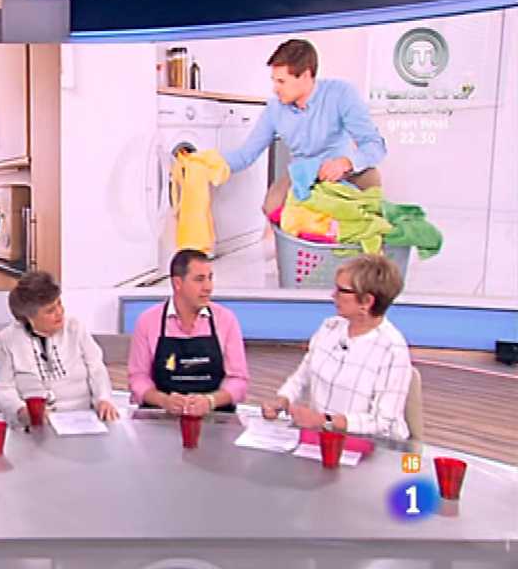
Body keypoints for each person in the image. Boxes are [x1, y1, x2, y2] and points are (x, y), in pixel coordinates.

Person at [221, 39, 387, 215]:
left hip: (340, 168)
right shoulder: (274, 109)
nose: (275, 89)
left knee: (371, 181)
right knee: (272, 206)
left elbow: (374, 145)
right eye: (274, 81)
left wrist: (346, 163)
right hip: (302, 173)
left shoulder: (341, 93)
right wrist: (208, 163)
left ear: (306, 75)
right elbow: (246, 155)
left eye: (281, 81)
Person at [261, 255, 413, 440]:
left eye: (341, 290)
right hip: (323, 438)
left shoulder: (392, 349)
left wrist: (324, 421)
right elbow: (301, 376)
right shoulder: (329, 328)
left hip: (373, 445)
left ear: (366, 301)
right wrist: (283, 400)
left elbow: (383, 422)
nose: (333, 295)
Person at [127, 249, 250, 415]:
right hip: (160, 419)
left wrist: (210, 401)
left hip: (215, 420)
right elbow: (138, 378)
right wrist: (164, 401)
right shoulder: (148, 321)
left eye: (210, 278)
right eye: (199, 279)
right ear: (177, 283)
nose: (208, 287)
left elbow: (238, 380)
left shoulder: (225, 320)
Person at [0, 271, 119, 422]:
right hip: (33, 423)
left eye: (59, 303)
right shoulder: (9, 339)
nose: (60, 312)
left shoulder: (75, 327)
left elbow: (96, 368)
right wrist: (21, 410)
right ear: (29, 317)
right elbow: (3, 387)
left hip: (81, 417)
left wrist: (103, 399)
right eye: (50, 311)